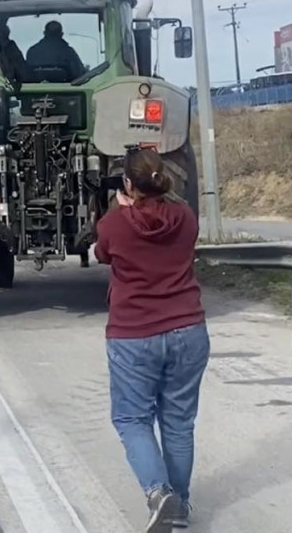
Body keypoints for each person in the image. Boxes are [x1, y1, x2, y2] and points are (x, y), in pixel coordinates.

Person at [94, 148, 207, 532]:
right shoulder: (186, 217)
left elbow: (103, 253)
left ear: (128, 183)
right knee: (178, 422)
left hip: (134, 335)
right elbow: (176, 233)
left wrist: (122, 210)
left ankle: (159, 494)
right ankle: (181, 507)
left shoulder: (114, 225)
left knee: (131, 418)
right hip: (188, 330)